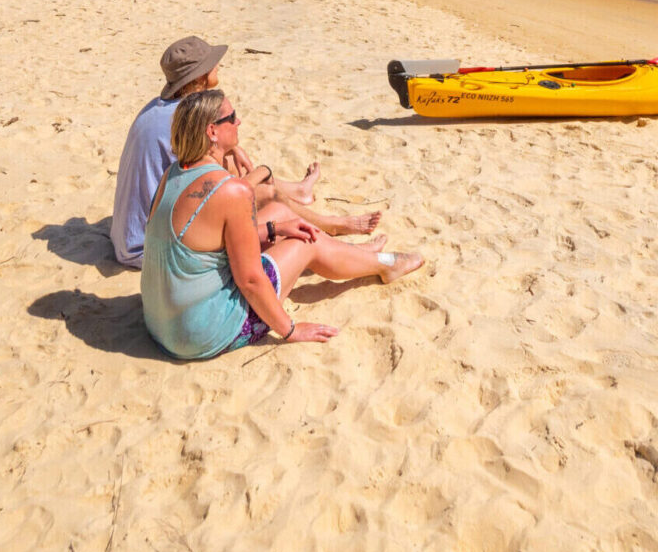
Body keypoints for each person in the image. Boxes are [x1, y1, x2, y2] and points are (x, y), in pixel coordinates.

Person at [142, 89, 424, 357]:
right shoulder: (231, 191)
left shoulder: (173, 174)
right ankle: (385, 264)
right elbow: (250, 280)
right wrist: (290, 330)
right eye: (231, 117)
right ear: (212, 131)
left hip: (160, 322)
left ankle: (359, 253)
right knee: (305, 244)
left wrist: (275, 230)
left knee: (279, 211)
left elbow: (208, 240)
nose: (238, 121)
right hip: (198, 333)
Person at [109, 36, 375, 268]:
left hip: (131, 235)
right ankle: (333, 228)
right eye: (213, 63)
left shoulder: (162, 109)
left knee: (239, 172)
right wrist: (261, 172)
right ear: (200, 77)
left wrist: (234, 149)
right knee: (268, 196)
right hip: (149, 247)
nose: (218, 65)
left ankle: (300, 194)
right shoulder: (182, 120)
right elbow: (226, 190)